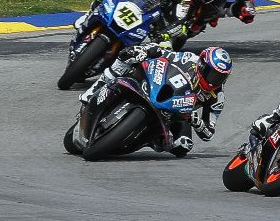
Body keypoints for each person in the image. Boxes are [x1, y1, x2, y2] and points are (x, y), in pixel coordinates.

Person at [82, 41, 232, 156]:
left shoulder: (217, 96)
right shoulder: (189, 59)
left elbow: (209, 133)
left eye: (220, 77)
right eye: (213, 74)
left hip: (177, 114)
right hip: (159, 85)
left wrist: (197, 122)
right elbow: (165, 53)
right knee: (127, 55)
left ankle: (152, 141)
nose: (215, 80)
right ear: (202, 64)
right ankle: (95, 88)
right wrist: (146, 50)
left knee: (184, 146)